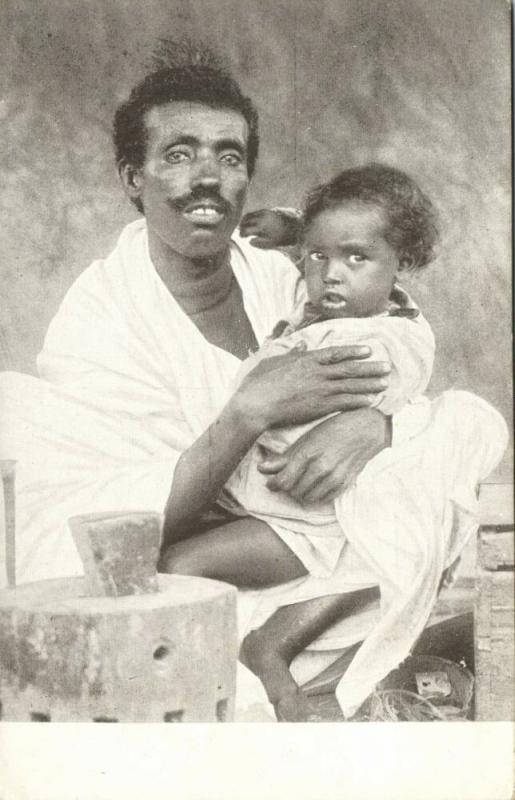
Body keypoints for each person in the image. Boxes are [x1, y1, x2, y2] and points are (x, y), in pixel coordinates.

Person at [0, 43, 507, 721]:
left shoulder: (284, 272)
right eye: (178, 154)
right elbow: (111, 528)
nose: (207, 177)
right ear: (132, 177)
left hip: (318, 547)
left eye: (229, 156)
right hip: (208, 567)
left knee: (460, 428)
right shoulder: (101, 317)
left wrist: (375, 424)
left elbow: (401, 359)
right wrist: (247, 412)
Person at [158, 163, 508, 718]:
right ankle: (270, 648)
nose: (330, 276)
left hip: (297, 526)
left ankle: (250, 675)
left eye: (355, 259)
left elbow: (406, 391)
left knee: (179, 568)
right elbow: (349, 251)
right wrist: (300, 232)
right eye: (317, 258)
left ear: (403, 266)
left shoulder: (385, 344)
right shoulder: (338, 306)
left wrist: (289, 372)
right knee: (162, 535)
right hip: (254, 499)